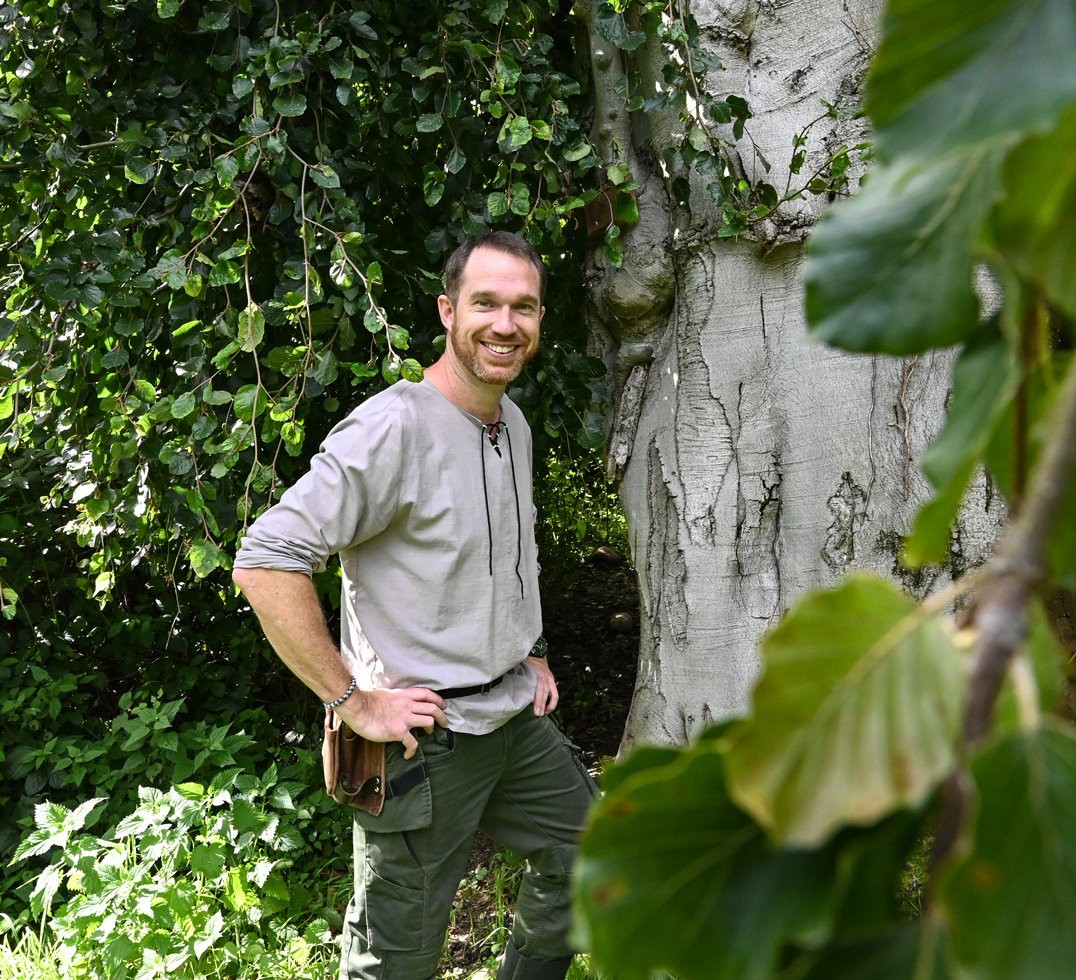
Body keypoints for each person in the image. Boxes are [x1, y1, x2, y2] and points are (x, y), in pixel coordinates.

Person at [232, 231, 597, 980]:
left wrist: (528, 647)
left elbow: (501, 551)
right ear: (446, 311)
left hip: (513, 719)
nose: (505, 324)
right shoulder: (392, 427)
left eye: (523, 307)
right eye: (485, 303)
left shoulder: (512, 424)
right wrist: (351, 699)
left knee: (590, 855)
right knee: (395, 962)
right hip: (420, 745)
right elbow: (266, 561)